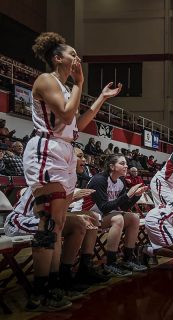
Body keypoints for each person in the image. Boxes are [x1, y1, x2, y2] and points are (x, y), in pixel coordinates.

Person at [24, 32, 121, 311]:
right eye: (72, 54)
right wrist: (80, 83)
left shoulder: (66, 88)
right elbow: (66, 116)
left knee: (58, 221)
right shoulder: (46, 80)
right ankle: (39, 291)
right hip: (47, 149)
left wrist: (100, 97)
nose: (77, 58)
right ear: (57, 58)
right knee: (49, 222)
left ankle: (53, 285)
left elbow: (77, 123)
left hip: (64, 148)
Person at [4, 148, 107, 304]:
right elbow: (40, 212)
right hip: (19, 220)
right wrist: (70, 199)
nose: (85, 160)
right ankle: (43, 290)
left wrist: (75, 211)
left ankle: (68, 275)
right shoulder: (50, 175)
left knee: (88, 217)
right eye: (80, 156)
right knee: (54, 224)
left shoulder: (69, 179)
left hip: (42, 219)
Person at [72, 154, 148, 276]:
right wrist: (127, 195)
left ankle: (127, 259)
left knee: (134, 218)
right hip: (87, 214)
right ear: (112, 166)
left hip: (103, 214)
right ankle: (110, 263)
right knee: (118, 219)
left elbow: (123, 206)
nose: (126, 166)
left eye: (126, 164)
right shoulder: (99, 180)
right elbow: (104, 207)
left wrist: (136, 196)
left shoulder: (121, 181)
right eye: (122, 163)